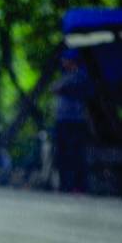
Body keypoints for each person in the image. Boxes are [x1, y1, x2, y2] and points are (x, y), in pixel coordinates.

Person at [52, 49, 94, 193]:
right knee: (62, 153)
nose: (63, 62)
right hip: (62, 120)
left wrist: (61, 87)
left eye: (66, 60)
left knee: (75, 154)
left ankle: (78, 186)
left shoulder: (80, 76)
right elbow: (55, 88)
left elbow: (60, 87)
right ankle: (65, 185)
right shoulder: (65, 75)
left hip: (75, 121)